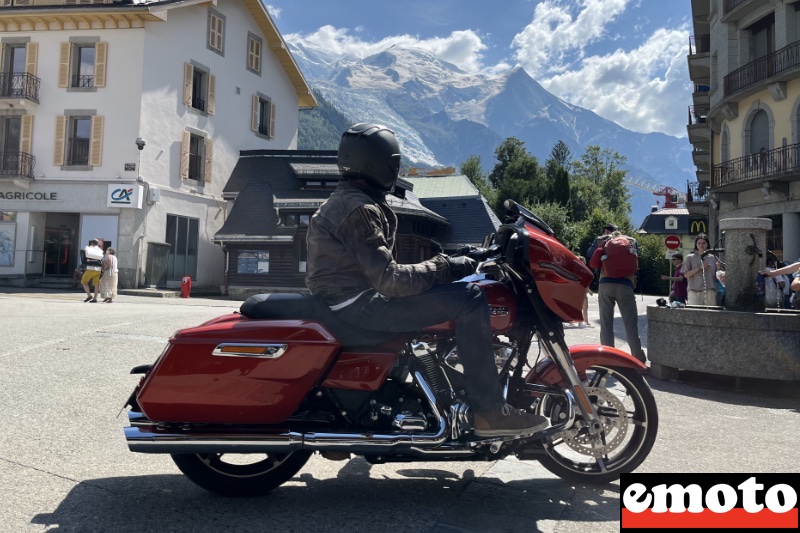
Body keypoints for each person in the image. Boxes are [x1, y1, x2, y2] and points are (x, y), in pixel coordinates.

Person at [306, 123, 548, 438]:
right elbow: (390, 280)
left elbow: (381, 268)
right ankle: (489, 411)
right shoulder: (360, 209)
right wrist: (446, 266)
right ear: (382, 165)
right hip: (359, 305)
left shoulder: (347, 201)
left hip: (348, 300)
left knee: (449, 293)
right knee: (470, 298)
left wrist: (458, 257)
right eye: (394, 163)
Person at [589, 231, 647, 364]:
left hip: (605, 285)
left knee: (606, 324)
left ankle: (608, 358)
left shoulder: (604, 244)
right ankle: (638, 360)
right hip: (625, 286)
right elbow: (636, 263)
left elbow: (593, 263)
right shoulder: (631, 243)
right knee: (631, 325)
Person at [681, 233, 717, 306]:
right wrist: (699, 267)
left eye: (704, 243)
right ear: (696, 244)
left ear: (707, 244)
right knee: (694, 313)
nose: (701, 245)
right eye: (699, 243)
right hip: (694, 290)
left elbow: (716, 275)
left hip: (709, 289)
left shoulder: (713, 257)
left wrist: (719, 270)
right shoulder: (690, 257)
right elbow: (686, 275)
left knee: (710, 314)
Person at [577, 256, 593, 328]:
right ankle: (580, 321)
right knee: (580, 306)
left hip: (583, 290)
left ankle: (586, 321)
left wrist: (589, 290)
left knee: (585, 306)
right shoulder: (578, 270)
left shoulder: (583, 270)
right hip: (579, 290)